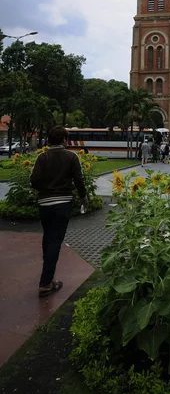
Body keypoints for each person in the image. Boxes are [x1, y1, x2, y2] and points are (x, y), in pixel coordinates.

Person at [30, 125, 88, 298]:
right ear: (64, 139)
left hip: (44, 203)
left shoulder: (42, 157)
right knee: (55, 241)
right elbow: (79, 180)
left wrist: (46, 189)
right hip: (62, 203)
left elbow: (33, 181)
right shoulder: (71, 156)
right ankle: (46, 283)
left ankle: (48, 277)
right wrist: (84, 198)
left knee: (48, 238)